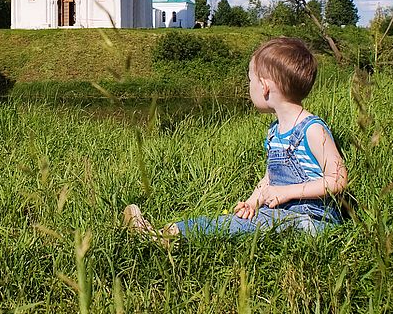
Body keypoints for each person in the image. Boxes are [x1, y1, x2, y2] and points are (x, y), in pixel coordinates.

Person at [123, 36, 348, 244]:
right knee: (246, 221)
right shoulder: (276, 131)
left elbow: (338, 180)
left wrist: (288, 192)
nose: (248, 87)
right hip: (281, 214)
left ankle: (169, 235)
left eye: (250, 81)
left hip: (314, 220)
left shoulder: (312, 129)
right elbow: (271, 178)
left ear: (265, 87)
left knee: (249, 224)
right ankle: (171, 233)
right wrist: (253, 202)